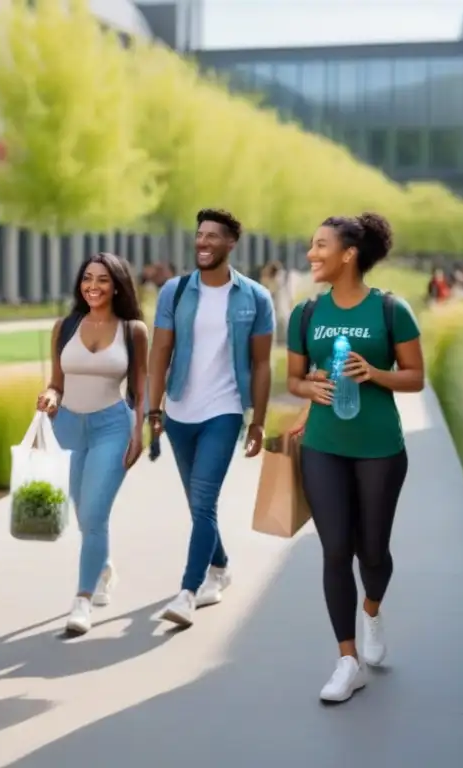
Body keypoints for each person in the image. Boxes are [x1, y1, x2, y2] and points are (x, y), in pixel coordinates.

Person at [285, 213, 424, 703]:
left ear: (348, 254)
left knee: (374, 552)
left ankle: (372, 609)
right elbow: (293, 379)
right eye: (310, 244)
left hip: (380, 448)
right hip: (323, 445)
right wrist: (311, 386)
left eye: (320, 245)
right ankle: (348, 660)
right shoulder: (306, 314)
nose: (311, 254)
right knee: (335, 551)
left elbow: (415, 377)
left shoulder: (391, 309)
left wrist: (374, 372)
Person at [148, 208, 275, 627]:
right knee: (198, 505)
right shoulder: (176, 291)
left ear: (230, 244)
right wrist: (153, 408)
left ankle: (187, 591)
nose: (203, 243)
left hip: (225, 411)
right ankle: (220, 568)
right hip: (180, 410)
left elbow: (261, 364)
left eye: (213, 237)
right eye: (199, 235)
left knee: (204, 502)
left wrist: (257, 421)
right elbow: (160, 353)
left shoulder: (255, 297)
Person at [36, 253, 149, 635]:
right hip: (66, 426)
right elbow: (56, 382)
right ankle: (104, 567)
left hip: (112, 427)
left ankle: (82, 600)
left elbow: (141, 387)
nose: (93, 286)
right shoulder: (65, 326)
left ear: (117, 285)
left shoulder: (133, 331)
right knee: (83, 513)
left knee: (94, 515)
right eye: (87, 278)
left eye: (102, 279)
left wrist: (140, 432)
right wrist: (50, 396)